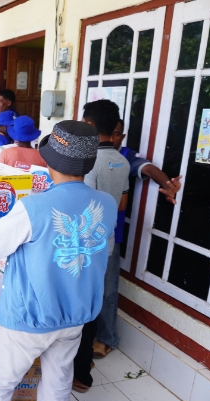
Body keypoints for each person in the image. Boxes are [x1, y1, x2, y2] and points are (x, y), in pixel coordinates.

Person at [0, 120, 117, 401]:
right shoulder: (106, 203)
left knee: (0, 384)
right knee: (58, 382)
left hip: (28, 317)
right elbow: (103, 251)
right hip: (75, 316)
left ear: (47, 161)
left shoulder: (33, 206)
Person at [88, 119, 182, 358]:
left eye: (119, 134)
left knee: (108, 289)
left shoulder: (124, 157)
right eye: (113, 133)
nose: (115, 139)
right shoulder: (87, 154)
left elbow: (149, 169)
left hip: (111, 234)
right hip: (85, 234)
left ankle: (107, 338)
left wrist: (167, 183)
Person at [71, 99, 129, 393]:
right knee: (99, 298)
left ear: (90, 125)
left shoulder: (89, 161)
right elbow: (121, 202)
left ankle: (80, 366)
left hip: (87, 245)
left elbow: (84, 205)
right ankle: (91, 355)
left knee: (82, 304)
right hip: (108, 239)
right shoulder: (122, 161)